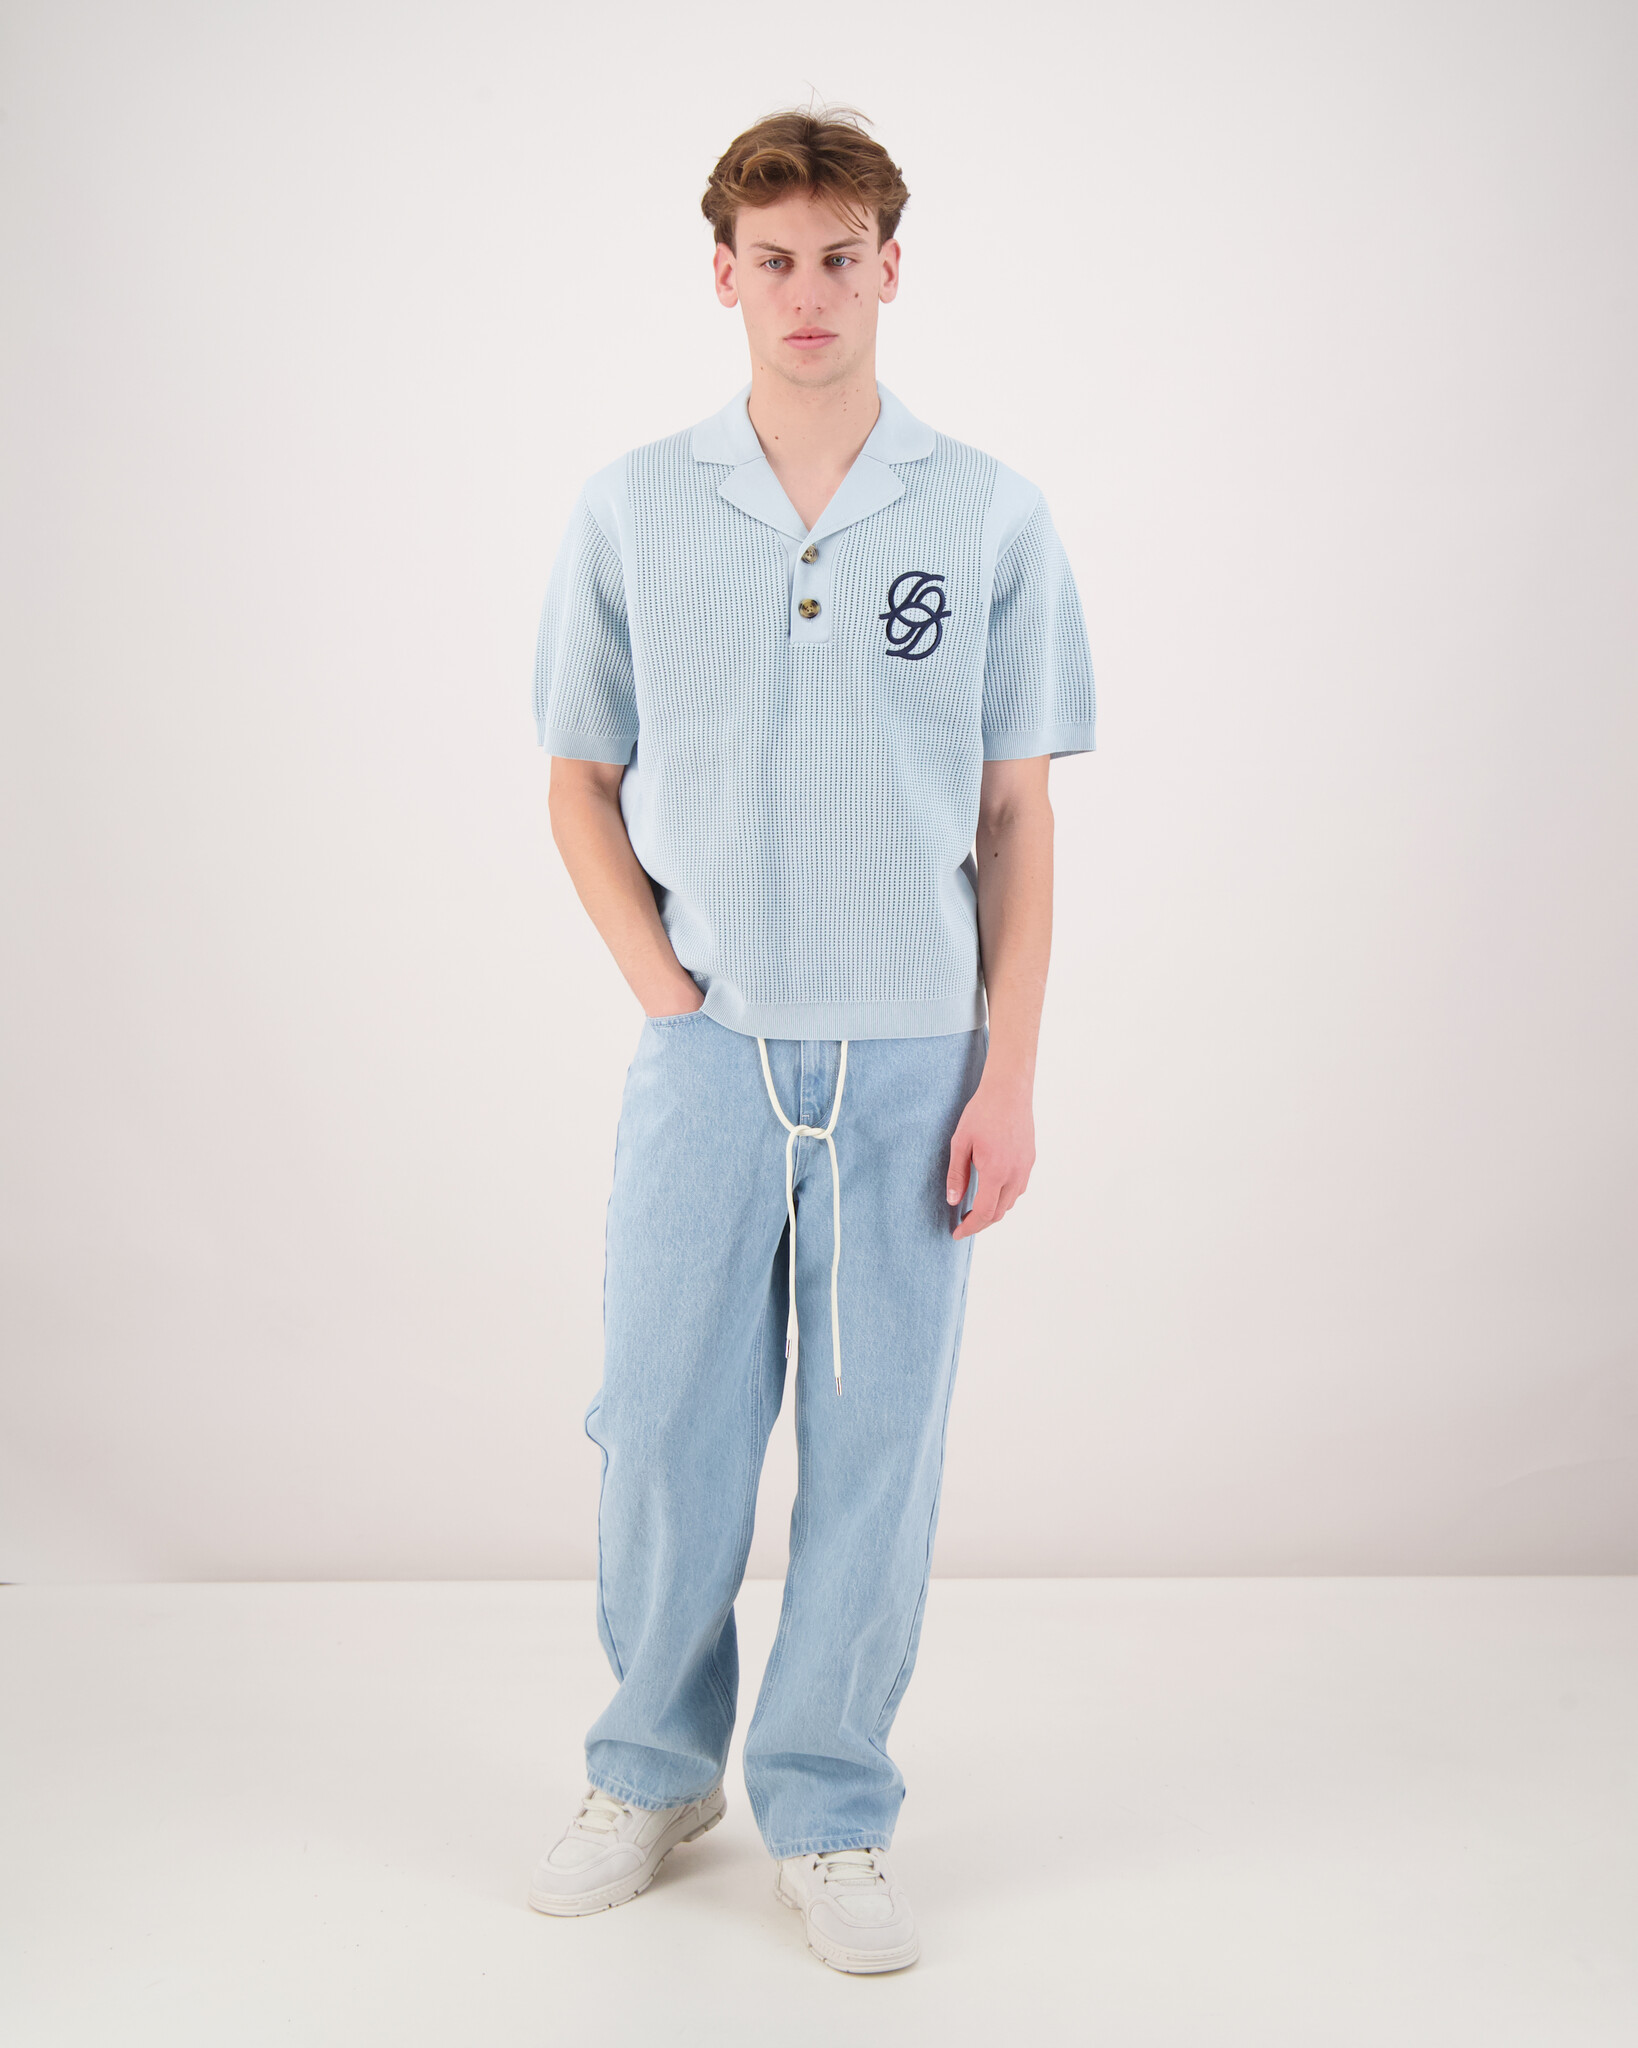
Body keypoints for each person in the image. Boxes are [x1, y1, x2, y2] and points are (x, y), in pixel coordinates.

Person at [525, 106, 1096, 1974]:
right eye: (772, 260)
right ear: (724, 275)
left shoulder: (987, 510)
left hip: (916, 1057)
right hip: (708, 1053)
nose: (807, 292)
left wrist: (1008, 1072)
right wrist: (668, 997)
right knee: (663, 1434)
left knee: (875, 1452)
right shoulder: (631, 506)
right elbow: (576, 781)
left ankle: (832, 1806)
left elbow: (1014, 813)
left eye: (839, 257)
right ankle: (648, 1771)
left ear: (888, 268)